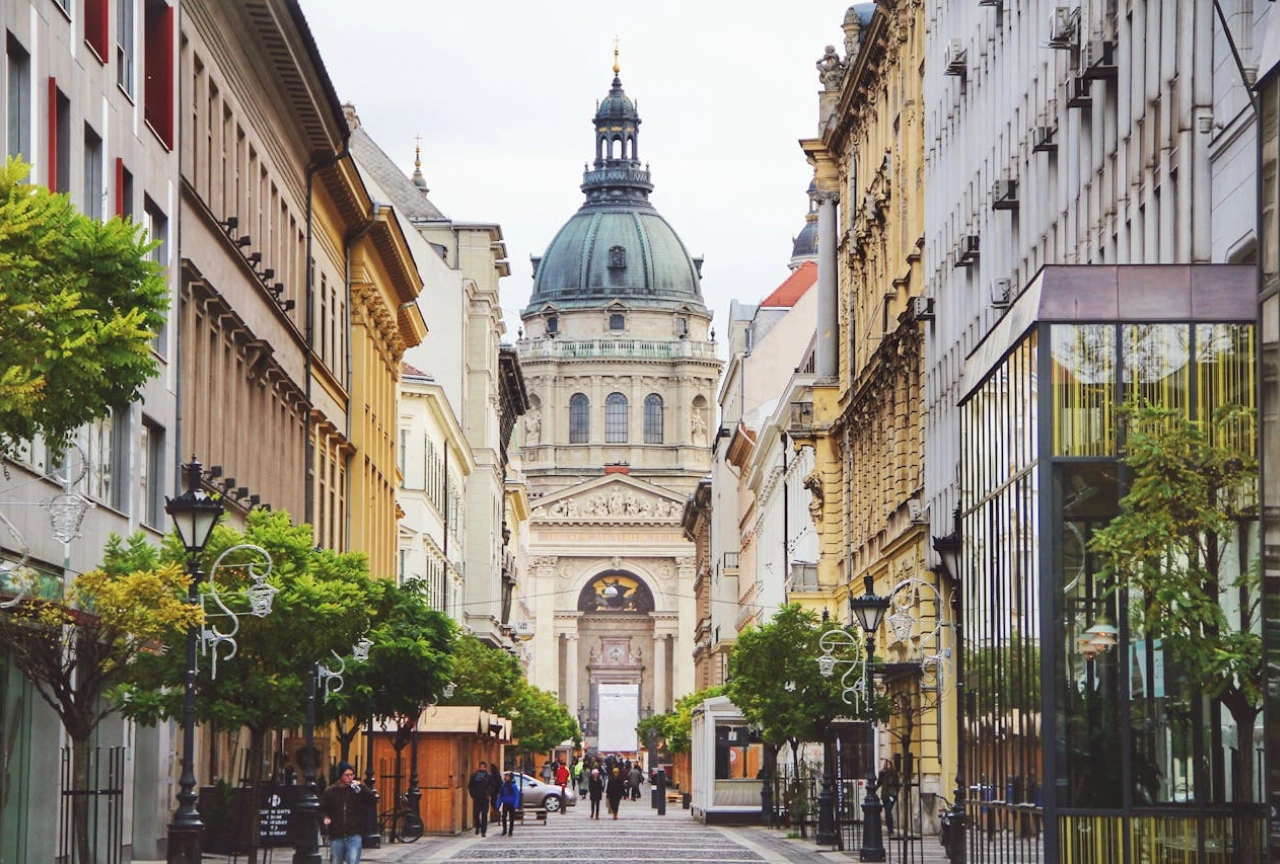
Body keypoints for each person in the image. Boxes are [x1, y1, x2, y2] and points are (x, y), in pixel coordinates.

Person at [319, 761, 375, 864]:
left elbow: (372, 800)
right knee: (336, 860)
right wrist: (325, 818)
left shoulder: (357, 790)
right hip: (337, 833)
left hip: (354, 832)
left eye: (352, 775)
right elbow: (322, 808)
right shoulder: (331, 791)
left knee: (353, 860)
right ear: (341, 776)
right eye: (347, 775)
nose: (350, 778)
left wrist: (362, 787)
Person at [468, 761, 493, 836]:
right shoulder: (474, 776)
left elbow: (493, 786)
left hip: (485, 797)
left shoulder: (489, 776)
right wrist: (473, 795)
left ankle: (483, 831)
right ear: (479, 767)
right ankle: (478, 825)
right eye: (481, 767)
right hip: (477, 797)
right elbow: (470, 786)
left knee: (484, 814)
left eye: (483, 767)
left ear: (485, 768)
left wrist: (489, 793)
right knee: (476, 814)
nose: (482, 768)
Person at [878, 759, 901, 836]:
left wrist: (895, 793)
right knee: (887, 812)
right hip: (884, 795)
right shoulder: (883, 773)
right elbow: (879, 783)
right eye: (886, 764)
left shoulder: (894, 773)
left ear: (891, 765)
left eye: (889, 764)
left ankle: (890, 829)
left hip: (891, 795)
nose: (887, 766)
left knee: (888, 811)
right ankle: (889, 828)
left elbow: (897, 784)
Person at [495, 771, 522, 836]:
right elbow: (501, 796)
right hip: (505, 803)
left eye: (508, 776)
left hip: (512, 804)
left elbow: (517, 795)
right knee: (504, 817)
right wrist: (498, 805)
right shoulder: (503, 786)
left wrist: (516, 804)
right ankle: (504, 830)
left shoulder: (513, 786)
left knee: (511, 818)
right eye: (506, 776)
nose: (506, 778)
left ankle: (510, 831)